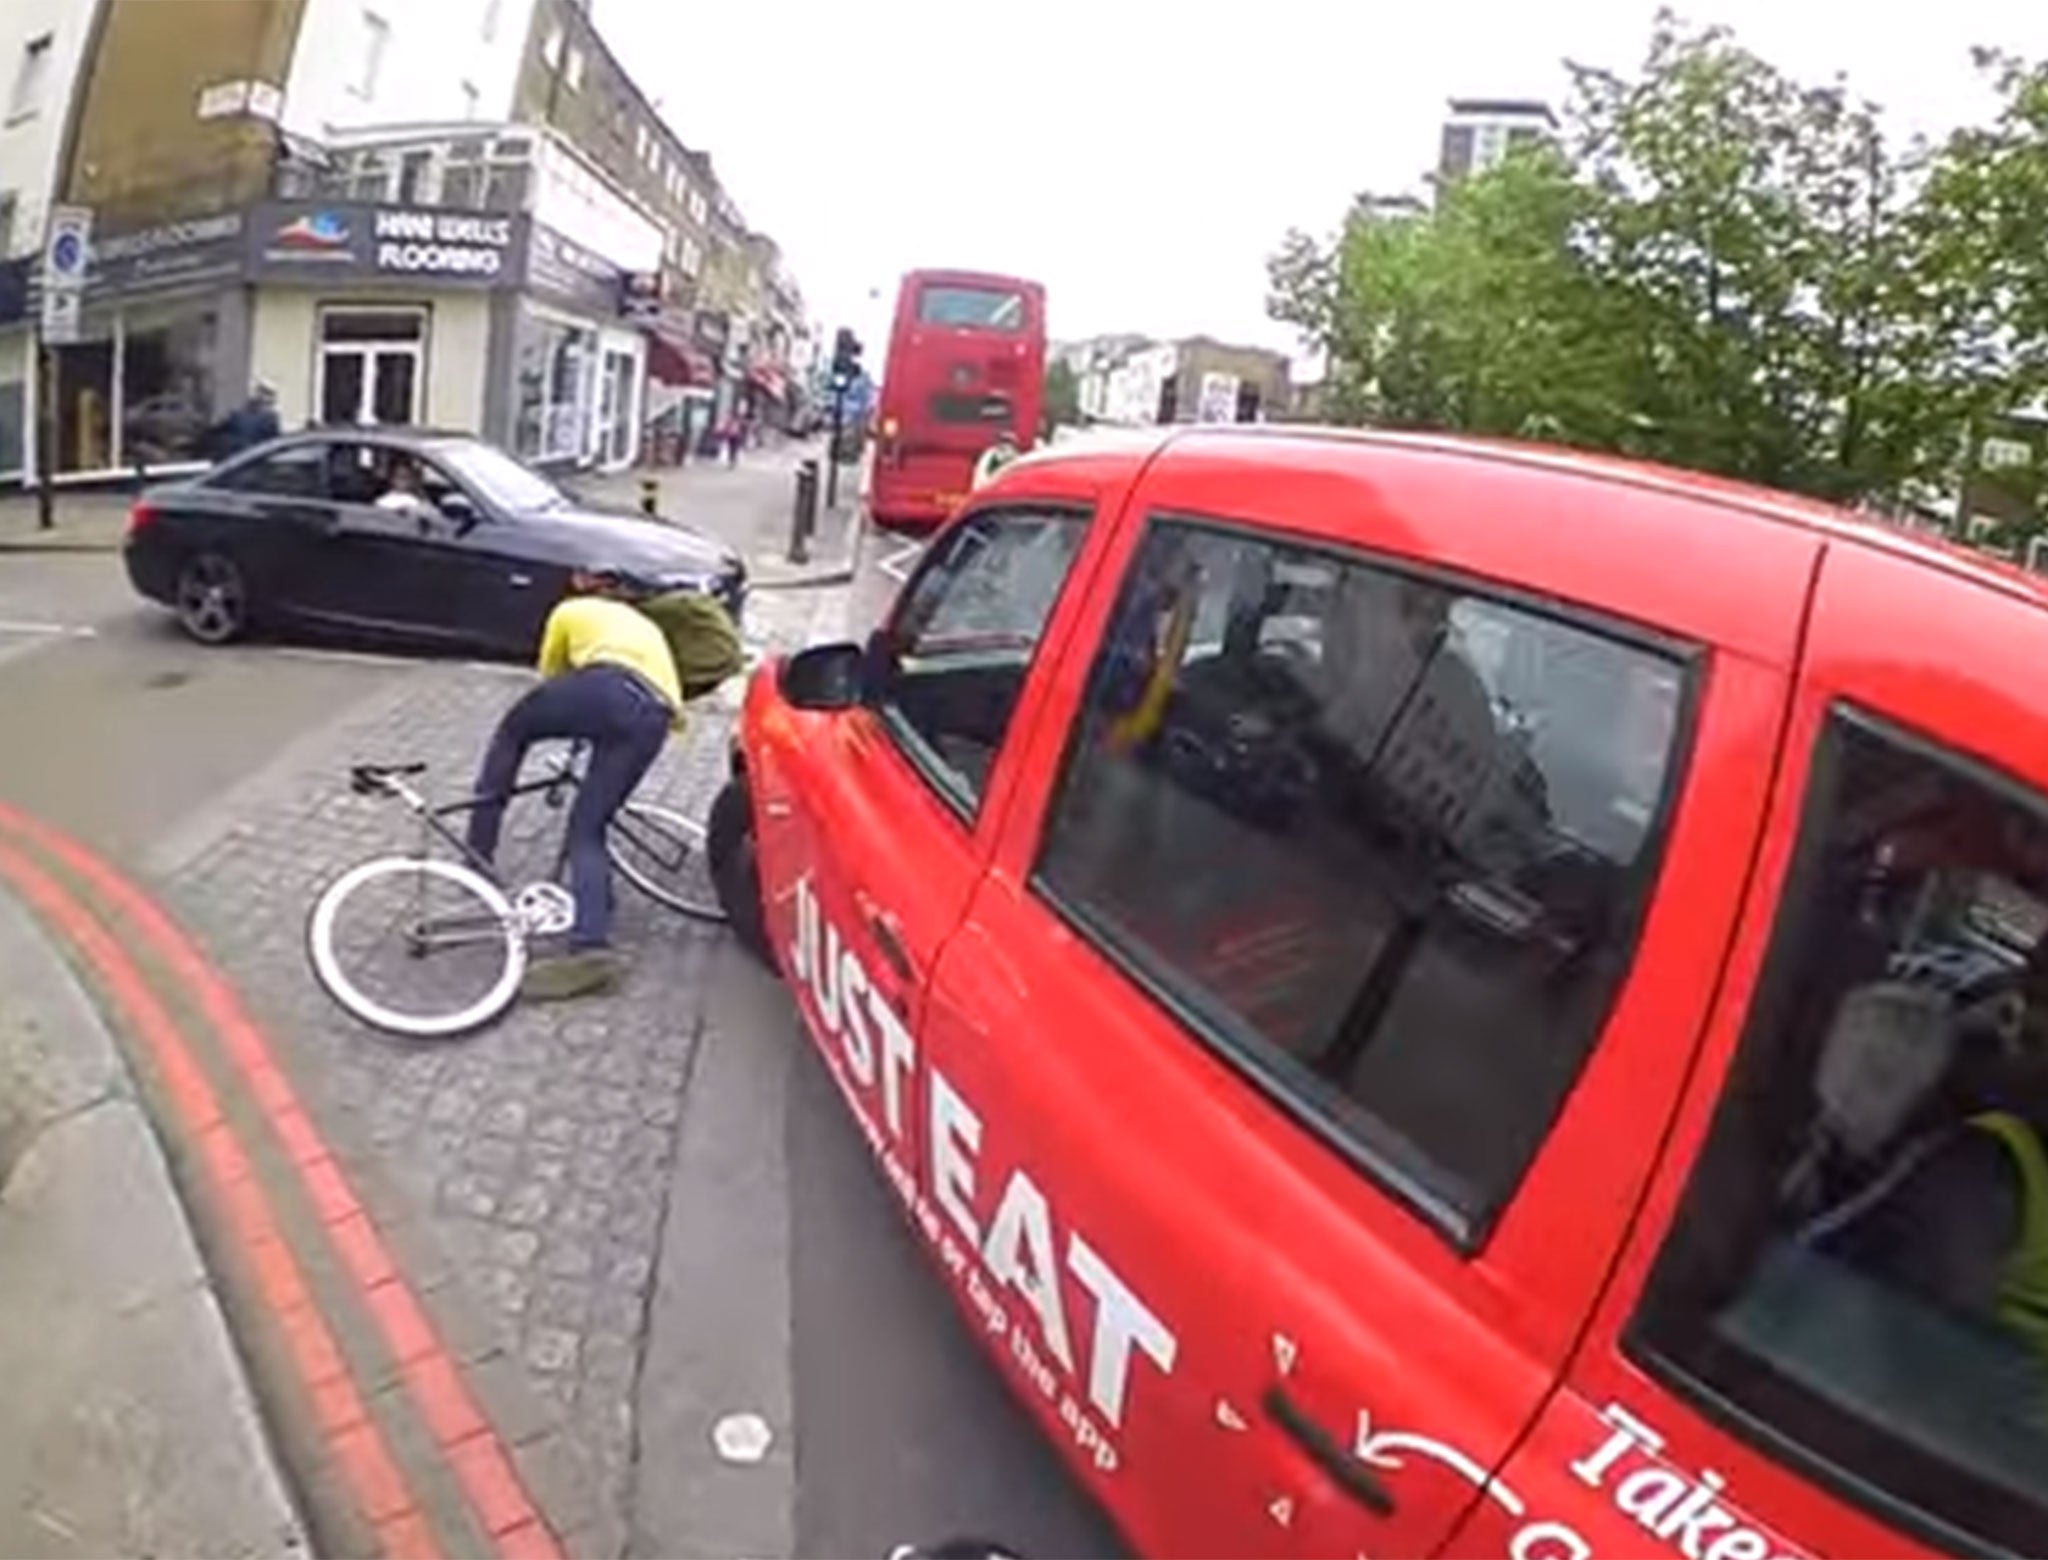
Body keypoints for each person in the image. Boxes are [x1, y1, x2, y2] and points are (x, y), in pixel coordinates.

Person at [465, 571, 682, 1001]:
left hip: (606, 688)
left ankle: (477, 852)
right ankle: (591, 944)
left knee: (513, 732)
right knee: (588, 830)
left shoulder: (570, 610)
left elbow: (553, 676)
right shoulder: (644, 625)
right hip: (655, 717)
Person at [214, 383, 281, 458]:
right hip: (252, 458)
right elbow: (274, 441)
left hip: (233, 457)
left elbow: (219, 429)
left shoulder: (237, 411)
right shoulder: (270, 416)